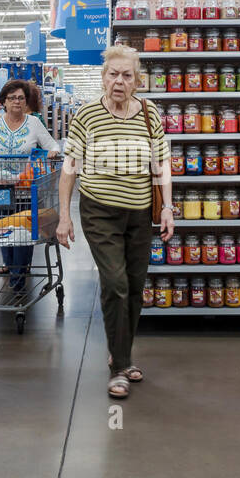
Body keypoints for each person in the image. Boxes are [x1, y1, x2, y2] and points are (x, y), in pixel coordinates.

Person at [56, 44, 172, 400]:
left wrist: (167, 206)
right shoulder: (87, 116)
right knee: (116, 282)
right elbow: (70, 168)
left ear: (137, 81)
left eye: (126, 75)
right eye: (112, 74)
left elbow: (162, 164)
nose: (118, 81)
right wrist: (64, 216)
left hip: (139, 213)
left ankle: (120, 349)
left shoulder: (150, 114)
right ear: (102, 77)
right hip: (99, 211)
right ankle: (120, 366)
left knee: (135, 286)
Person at [0, 79, 61, 292]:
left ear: (26, 101)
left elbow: (52, 144)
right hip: (0, 190)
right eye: (12, 98)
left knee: (21, 235)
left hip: (26, 189)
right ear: (4, 101)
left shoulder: (33, 123)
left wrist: (53, 152)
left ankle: (17, 280)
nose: (17, 102)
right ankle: (14, 270)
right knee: (3, 232)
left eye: (21, 98)